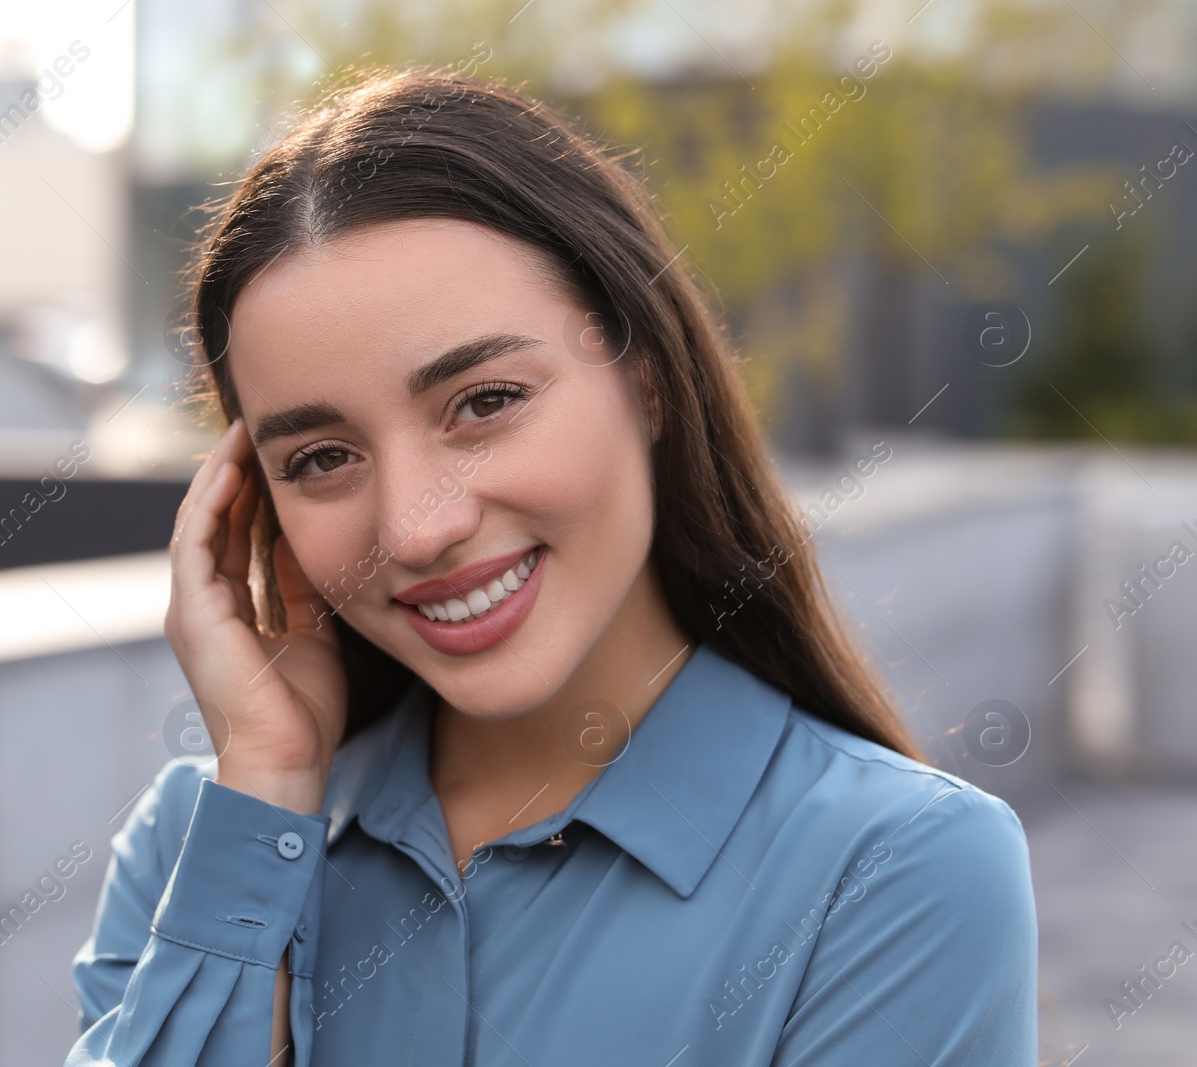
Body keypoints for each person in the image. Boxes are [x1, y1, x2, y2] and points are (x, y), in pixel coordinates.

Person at [64, 64, 1038, 1066]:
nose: (414, 527)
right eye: (320, 459)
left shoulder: (894, 871)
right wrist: (267, 780)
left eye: (483, 401)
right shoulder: (205, 843)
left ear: (648, 380)